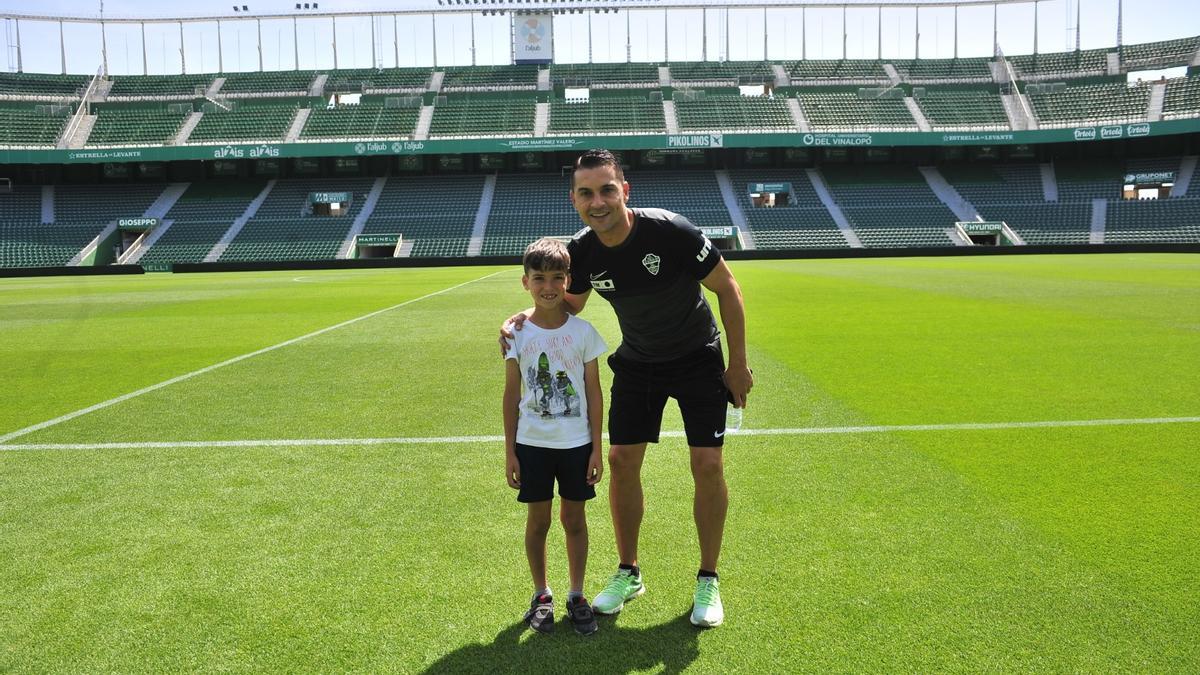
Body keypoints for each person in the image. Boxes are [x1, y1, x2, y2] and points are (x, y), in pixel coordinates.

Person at [501, 149, 753, 628]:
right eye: (586, 193)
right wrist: (521, 320)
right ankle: (629, 571)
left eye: (606, 190)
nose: (598, 201)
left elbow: (728, 288)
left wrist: (736, 364)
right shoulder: (582, 251)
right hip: (639, 362)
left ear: (625, 191)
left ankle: (707, 578)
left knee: (707, 463)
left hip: (699, 358)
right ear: (574, 199)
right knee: (620, 461)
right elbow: (565, 305)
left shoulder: (670, 230)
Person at [503, 237, 608, 636]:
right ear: (525, 282)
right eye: (539, 278)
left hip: (576, 444)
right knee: (538, 521)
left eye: (558, 278)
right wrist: (510, 451)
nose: (549, 286)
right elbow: (512, 394)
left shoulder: (583, 332)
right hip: (532, 444)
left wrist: (597, 447)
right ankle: (541, 594)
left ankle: (576, 594)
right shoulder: (516, 334)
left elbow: (595, 392)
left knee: (575, 520)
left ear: (569, 281)